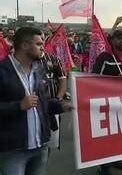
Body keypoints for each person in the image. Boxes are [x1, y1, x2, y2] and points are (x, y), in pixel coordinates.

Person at [0, 27, 72, 175]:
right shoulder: (2, 71)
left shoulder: (39, 70)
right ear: (25, 45)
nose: (43, 48)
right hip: (14, 149)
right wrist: (19, 106)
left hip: (41, 145)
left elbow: (42, 103)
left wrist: (62, 106)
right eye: (39, 44)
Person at [92, 28, 122, 175]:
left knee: (120, 133)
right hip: (106, 103)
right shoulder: (105, 57)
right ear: (112, 40)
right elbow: (94, 80)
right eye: (120, 38)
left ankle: (116, 157)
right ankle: (104, 166)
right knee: (106, 135)